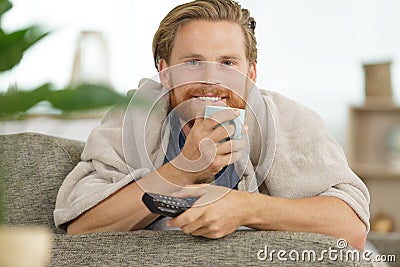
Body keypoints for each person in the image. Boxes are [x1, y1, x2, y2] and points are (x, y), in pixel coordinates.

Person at [54, 0, 370, 250]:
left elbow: (352, 229)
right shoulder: (133, 119)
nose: (212, 80)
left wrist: (245, 208)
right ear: (165, 73)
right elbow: (83, 225)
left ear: (251, 74)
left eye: (228, 63)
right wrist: (182, 170)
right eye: (192, 62)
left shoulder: (289, 121)